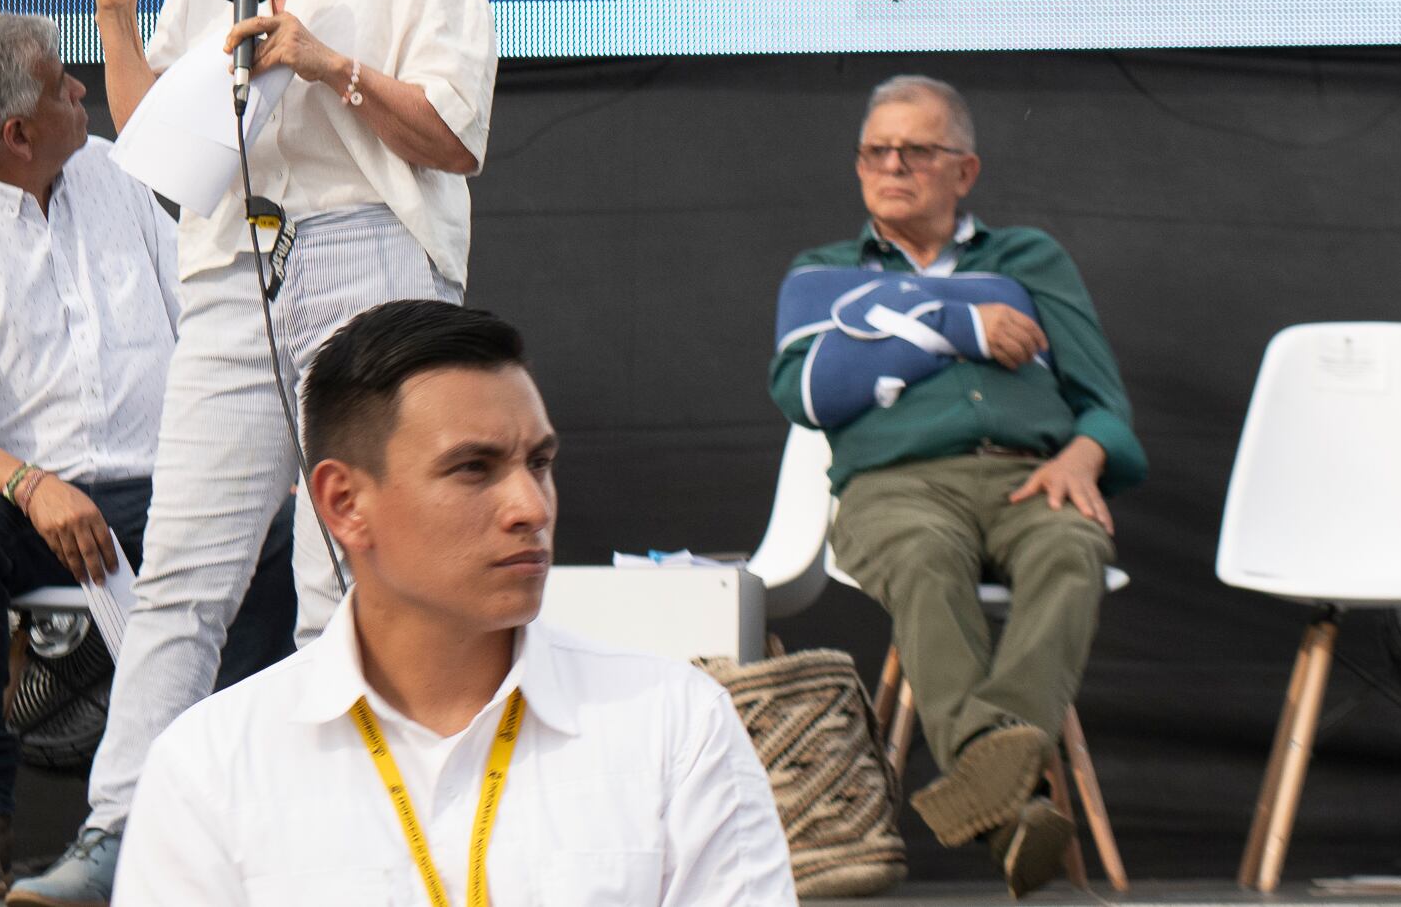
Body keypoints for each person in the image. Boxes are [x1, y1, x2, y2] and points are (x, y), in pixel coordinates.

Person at [26, 0, 500, 902]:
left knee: (344, 566)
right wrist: (121, 15)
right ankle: (120, 835)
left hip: (367, 266)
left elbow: (451, 141)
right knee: (183, 564)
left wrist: (326, 62)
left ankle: (346, 839)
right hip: (233, 269)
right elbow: (146, 137)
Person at [116, 300, 797, 906]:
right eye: (474, 467)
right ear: (344, 503)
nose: (531, 506)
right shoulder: (212, 767)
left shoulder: (674, 728)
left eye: (540, 462)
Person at [0, 14, 293, 898]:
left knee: (276, 525)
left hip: (157, 482)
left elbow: (197, 308)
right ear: (17, 134)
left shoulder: (111, 176)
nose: (81, 91)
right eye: (62, 85)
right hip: (14, 503)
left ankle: (228, 795)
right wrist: (31, 482)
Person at [769, 74, 1141, 898]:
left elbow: (1106, 403)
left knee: (1075, 546)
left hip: (1026, 473)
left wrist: (1084, 454)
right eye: (876, 150)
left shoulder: (1028, 260)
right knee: (928, 559)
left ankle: (989, 782)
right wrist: (958, 323)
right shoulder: (823, 273)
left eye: (917, 150)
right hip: (896, 489)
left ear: (964, 171)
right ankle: (1008, 789)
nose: (892, 164)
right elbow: (804, 391)